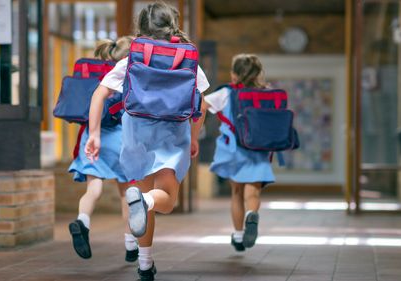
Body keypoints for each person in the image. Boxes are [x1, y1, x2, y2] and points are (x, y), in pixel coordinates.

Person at [84, 2, 209, 280]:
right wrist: (194, 135)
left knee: (142, 199)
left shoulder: (132, 58)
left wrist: (94, 134)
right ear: (173, 24)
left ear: (141, 27)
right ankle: (145, 201)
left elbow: (99, 94)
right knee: (163, 199)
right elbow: (203, 102)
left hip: (136, 134)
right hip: (172, 134)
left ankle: (144, 264)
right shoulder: (187, 58)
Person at [68, 36, 140, 262]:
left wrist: (94, 133)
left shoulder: (97, 74)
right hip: (120, 138)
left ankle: (82, 221)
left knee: (93, 189)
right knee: (125, 193)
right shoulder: (126, 72)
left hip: (93, 135)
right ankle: (131, 245)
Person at [202, 54, 275, 252]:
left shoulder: (226, 93)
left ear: (234, 75)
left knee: (236, 191)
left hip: (234, 149)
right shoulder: (267, 92)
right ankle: (252, 213)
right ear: (257, 74)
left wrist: (194, 134)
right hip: (259, 149)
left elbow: (201, 106)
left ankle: (238, 234)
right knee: (253, 191)